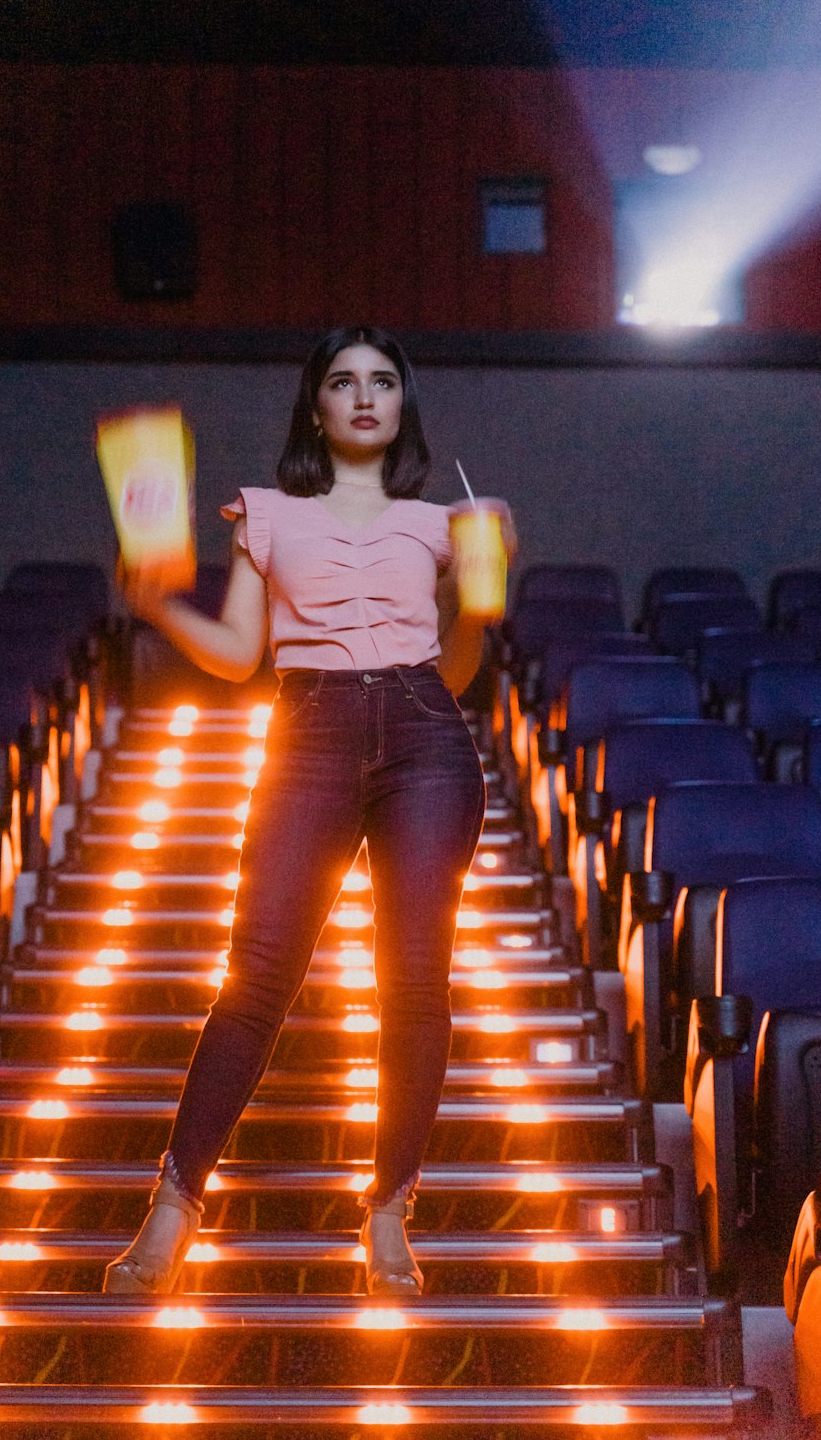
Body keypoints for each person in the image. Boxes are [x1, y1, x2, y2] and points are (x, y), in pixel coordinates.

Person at [104, 324, 515, 1300]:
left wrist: (480, 609)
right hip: (309, 732)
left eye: (382, 381)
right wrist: (156, 605)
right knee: (255, 977)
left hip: (425, 736)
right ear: (317, 406)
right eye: (343, 382)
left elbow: (452, 674)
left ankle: (385, 1214)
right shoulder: (269, 513)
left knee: (414, 982)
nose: (364, 396)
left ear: (401, 405)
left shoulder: (437, 525)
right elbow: (239, 654)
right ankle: (172, 1207)